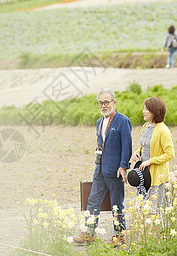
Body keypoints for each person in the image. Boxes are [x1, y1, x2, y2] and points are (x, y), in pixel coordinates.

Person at [73, 89, 132, 245]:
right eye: (101, 102)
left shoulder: (123, 120)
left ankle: (119, 235)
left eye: (107, 102)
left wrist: (123, 166)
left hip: (116, 171)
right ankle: (89, 233)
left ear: (114, 103)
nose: (104, 105)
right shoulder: (99, 122)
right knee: (92, 201)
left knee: (116, 204)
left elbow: (127, 146)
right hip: (99, 168)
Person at [131, 97, 174, 211]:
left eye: (146, 109)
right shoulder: (145, 126)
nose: (143, 112)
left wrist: (150, 161)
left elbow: (170, 154)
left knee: (155, 211)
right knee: (144, 211)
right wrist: (137, 152)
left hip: (156, 177)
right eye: (143, 109)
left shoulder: (163, 130)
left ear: (154, 111)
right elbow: (144, 146)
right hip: (144, 175)